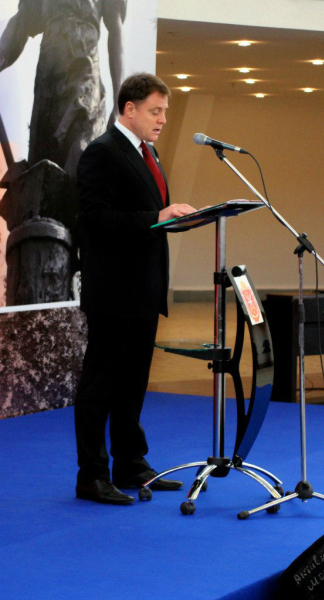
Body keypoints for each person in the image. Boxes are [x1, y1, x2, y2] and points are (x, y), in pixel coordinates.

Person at [74, 72, 197, 505]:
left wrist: (171, 219)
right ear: (129, 109)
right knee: (100, 386)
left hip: (144, 288)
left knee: (132, 384)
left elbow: (147, 214)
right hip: (114, 291)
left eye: (165, 111)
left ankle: (131, 465)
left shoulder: (149, 153)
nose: (162, 119)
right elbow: (94, 219)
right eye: (155, 111)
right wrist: (156, 217)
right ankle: (92, 475)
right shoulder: (102, 152)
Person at [0, 0, 126, 178]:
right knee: (43, 164)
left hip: (83, 77)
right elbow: (21, 22)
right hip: (48, 79)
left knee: (80, 156)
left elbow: (116, 30)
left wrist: (119, 104)